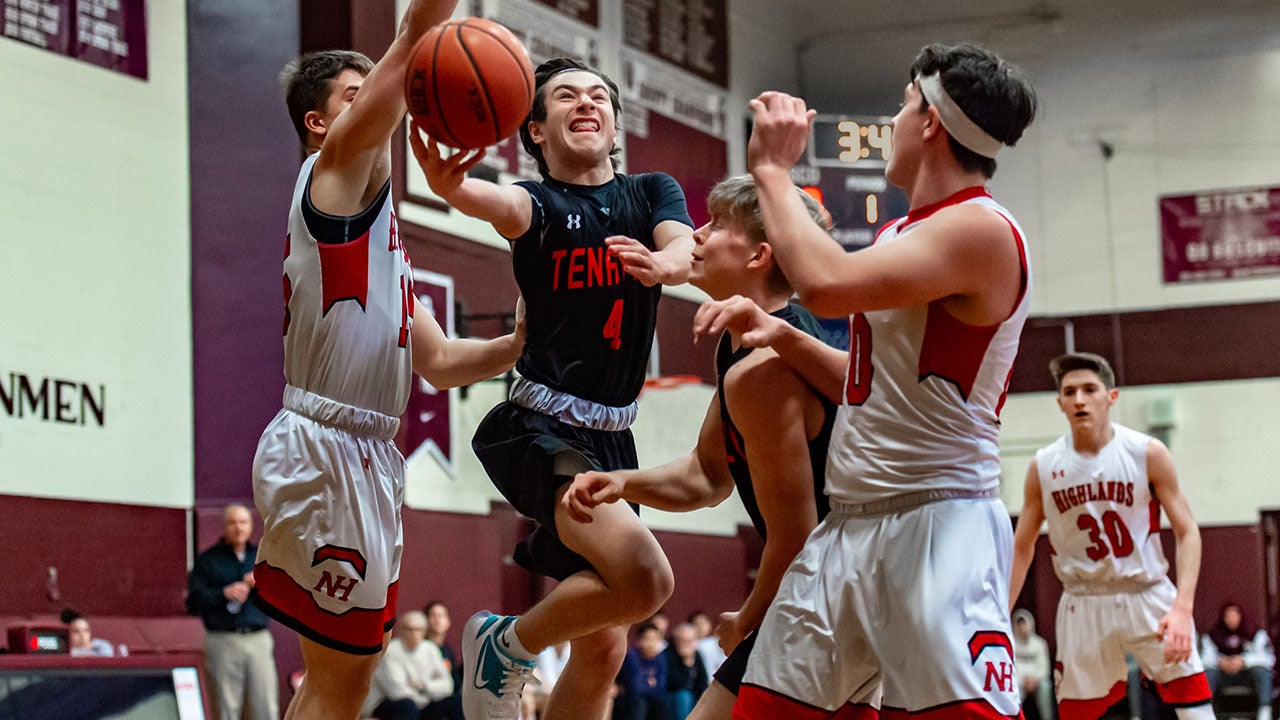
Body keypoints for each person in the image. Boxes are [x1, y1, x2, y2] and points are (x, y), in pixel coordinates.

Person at [692, 42, 1036, 719]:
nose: (897, 121)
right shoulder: (904, 232)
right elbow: (870, 384)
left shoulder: (981, 230)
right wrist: (784, 336)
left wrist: (769, 169)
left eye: (906, 105)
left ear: (931, 123)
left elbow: (822, 285)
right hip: (849, 528)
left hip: (936, 523)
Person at [253, 2, 527, 717]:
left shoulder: (382, 235)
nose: (385, 99)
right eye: (357, 92)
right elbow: (410, 44)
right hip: (326, 447)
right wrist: (424, 29)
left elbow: (436, 362)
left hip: (366, 453)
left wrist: (520, 343)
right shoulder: (332, 175)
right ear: (321, 122)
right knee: (343, 680)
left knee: (344, 674)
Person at [414, 56, 695, 720]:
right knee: (649, 579)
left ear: (617, 126)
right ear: (536, 130)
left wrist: (663, 265)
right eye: (566, 96)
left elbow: (686, 247)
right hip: (541, 428)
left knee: (603, 651)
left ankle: (513, 650)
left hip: (614, 436)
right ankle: (502, 645)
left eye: (599, 95)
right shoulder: (536, 203)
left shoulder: (652, 191)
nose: (587, 102)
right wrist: (452, 189)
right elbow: (496, 201)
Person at [563, 173, 847, 720]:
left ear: (760, 255)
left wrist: (748, 616)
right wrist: (623, 482)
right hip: (828, 592)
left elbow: (796, 533)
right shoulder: (741, 345)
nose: (695, 235)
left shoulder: (764, 371)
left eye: (717, 225)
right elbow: (708, 475)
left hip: (823, 597)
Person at [1010, 352, 1213, 720]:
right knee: (1077, 714)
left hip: (1148, 595)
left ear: (1112, 397)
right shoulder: (1043, 466)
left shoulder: (1146, 453)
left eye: (1090, 389)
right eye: (1070, 392)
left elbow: (1188, 533)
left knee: (1196, 711)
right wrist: (999, 617)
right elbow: (1021, 548)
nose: (1079, 400)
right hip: (1083, 600)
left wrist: (1183, 609)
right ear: (1060, 403)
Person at [187, 504, 279, 720]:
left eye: (244, 522)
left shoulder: (262, 557)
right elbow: (193, 602)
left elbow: (283, 597)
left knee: (265, 706)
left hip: (258, 638)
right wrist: (223, 593)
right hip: (223, 639)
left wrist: (262, 585)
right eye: (233, 522)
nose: (239, 527)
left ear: (251, 526)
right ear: (224, 526)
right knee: (226, 707)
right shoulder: (207, 560)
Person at [362, 611, 458, 720]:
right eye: (410, 629)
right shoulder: (391, 651)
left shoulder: (431, 649)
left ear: (425, 631)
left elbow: (448, 685)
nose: (414, 634)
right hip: (384, 703)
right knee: (407, 706)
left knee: (454, 702)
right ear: (401, 631)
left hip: (421, 701)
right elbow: (396, 691)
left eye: (419, 630)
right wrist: (429, 691)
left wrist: (423, 686)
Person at [1201, 603, 1274, 720]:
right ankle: (1205, 712)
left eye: (1234, 616)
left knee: (1262, 671)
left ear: (1240, 616)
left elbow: (1268, 659)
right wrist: (1220, 661)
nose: (1231, 620)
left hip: (1247, 676)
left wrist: (1244, 661)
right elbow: (1203, 660)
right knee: (1208, 673)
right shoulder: (1213, 635)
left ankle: (1264, 712)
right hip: (1224, 676)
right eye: (1228, 616)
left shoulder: (1255, 633)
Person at [616, 623, 670, 720]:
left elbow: (661, 688)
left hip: (651, 699)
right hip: (627, 699)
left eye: (655, 639)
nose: (651, 643)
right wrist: (650, 683)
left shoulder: (661, 658)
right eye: (647, 639)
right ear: (639, 641)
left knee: (662, 703)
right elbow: (635, 687)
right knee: (639, 703)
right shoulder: (632, 656)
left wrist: (645, 682)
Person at [424, 601, 464, 714]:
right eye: (433, 615)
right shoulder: (421, 648)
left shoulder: (448, 650)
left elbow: (454, 680)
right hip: (426, 701)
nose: (437, 620)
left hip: (447, 697)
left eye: (441, 616)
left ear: (448, 622)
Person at [1012, 609, 1053, 720]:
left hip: (1037, 681)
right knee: (1012, 689)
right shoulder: (1011, 644)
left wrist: (1034, 680)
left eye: (1024, 624)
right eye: (1020, 625)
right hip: (1019, 682)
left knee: (1046, 686)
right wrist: (1022, 681)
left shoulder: (1039, 643)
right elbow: (1011, 668)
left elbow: (1045, 668)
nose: (1022, 628)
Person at [664, 623, 710, 720]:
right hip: (672, 695)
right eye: (684, 641)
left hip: (693, 694)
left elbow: (703, 680)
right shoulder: (668, 654)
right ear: (676, 640)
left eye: (690, 641)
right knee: (684, 696)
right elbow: (677, 683)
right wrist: (687, 664)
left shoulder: (696, 654)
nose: (687, 644)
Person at [688, 612, 726, 679]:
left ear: (709, 624)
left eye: (702, 623)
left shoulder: (718, 642)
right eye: (696, 624)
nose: (700, 627)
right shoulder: (690, 646)